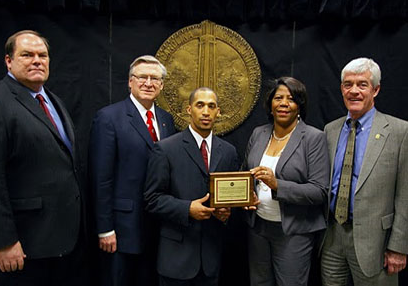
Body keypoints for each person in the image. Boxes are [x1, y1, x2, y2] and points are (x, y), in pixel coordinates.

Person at [0, 30, 85, 286]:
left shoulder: (54, 101)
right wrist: (3, 241)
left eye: (43, 55)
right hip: (22, 246)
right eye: (27, 54)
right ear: (8, 61)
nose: (37, 60)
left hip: (62, 244)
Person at [89, 55, 176, 286]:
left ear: (162, 85)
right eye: (142, 77)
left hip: (158, 226)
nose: (148, 83)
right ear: (130, 82)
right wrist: (105, 229)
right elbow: (101, 179)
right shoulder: (109, 118)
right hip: (121, 228)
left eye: (155, 78)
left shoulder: (167, 120)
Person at [321, 57, 408, 286]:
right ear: (341, 89)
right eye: (348, 84)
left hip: (376, 244)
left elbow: (406, 195)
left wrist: (398, 247)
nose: (354, 91)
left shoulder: (400, 131)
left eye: (362, 84)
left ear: (376, 89)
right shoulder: (330, 130)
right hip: (331, 238)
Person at [144, 87, 238, 286]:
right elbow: (152, 199)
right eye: (200, 105)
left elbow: (232, 197)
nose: (206, 111)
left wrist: (227, 212)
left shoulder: (229, 152)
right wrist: (187, 209)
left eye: (211, 106)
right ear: (189, 109)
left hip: (212, 259)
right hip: (176, 260)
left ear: (218, 111)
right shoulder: (166, 149)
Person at [242, 77, 330, 286]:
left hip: (294, 232)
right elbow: (245, 172)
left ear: (299, 106)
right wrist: (246, 196)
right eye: (278, 98)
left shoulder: (313, 138)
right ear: (270, 104)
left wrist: (277, 185)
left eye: (291, 99)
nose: (283, 103)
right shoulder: (259, 133)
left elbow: (319, 191)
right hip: (258, 228)